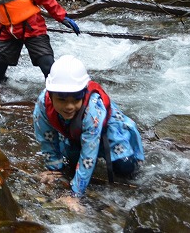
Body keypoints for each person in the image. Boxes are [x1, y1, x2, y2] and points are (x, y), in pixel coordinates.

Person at [33, 55, 144, 212]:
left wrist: (75, 194)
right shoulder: (42, 105)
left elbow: (88, 156)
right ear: (50, 96)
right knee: (70, 166)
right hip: (76, 134)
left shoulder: (92, 110)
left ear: (83, 94)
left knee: (125, 168)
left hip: (109, 134)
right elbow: (47, 139)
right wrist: (54, 170)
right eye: (62, 100)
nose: (69, 106)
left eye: (75, 99)